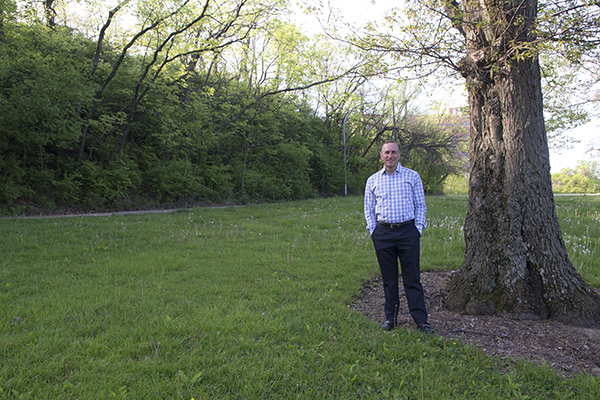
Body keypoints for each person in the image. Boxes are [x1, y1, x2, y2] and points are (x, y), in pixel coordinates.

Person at [364, 140, 432, 333]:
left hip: (407, 233)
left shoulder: (412, 176)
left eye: (393, 152)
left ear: (399, 155)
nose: (390, 156)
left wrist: (417, 228)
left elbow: (420, 205)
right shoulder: (373, 180)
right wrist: (373, 231)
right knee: (389, 279)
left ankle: (421, 320)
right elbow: (368, 209)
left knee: (412, 278)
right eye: (386, 152)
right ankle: (390, 319)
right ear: (381, 156)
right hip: (383, 234)